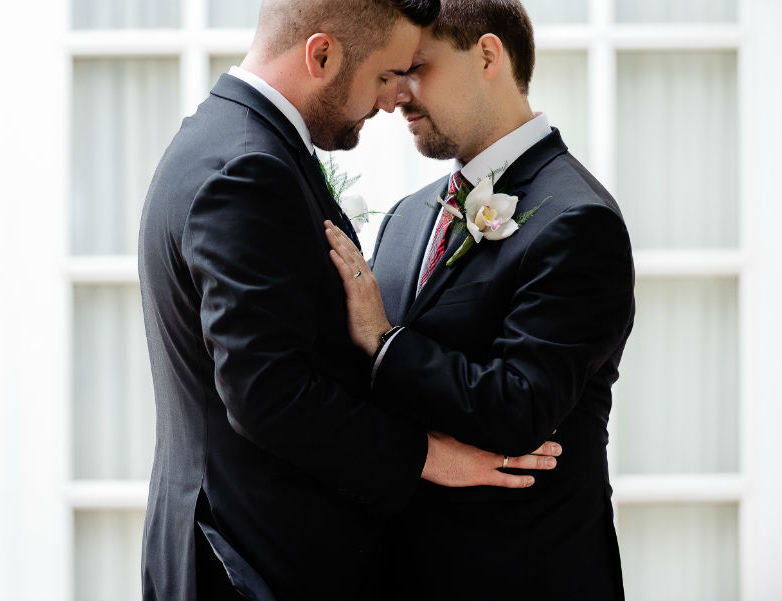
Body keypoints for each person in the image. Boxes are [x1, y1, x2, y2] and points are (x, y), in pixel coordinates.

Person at [138, 1, 562, 599]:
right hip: (253, 564)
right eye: (386, 74)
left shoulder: (224, 138)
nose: (392, 99)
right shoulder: (249, 169)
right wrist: (427, 456)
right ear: (322, 55)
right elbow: (267, 393)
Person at [325, 0, 634, 599]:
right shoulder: (408, 215)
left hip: (524, 576)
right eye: (393, 73)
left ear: (488, 55)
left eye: (416, 68)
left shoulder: (578, 220)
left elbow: (520, 407)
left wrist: (386, 344)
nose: (397, 95)